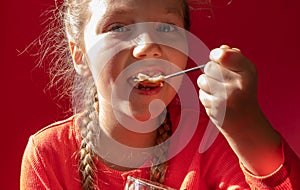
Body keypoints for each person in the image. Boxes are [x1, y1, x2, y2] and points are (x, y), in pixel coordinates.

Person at [20, 0, 300, 189]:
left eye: (167, 28)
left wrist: (248, 129)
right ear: (79, 55)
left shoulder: (211, 142)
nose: (148, 47)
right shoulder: (48, 155)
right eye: (118, 27)